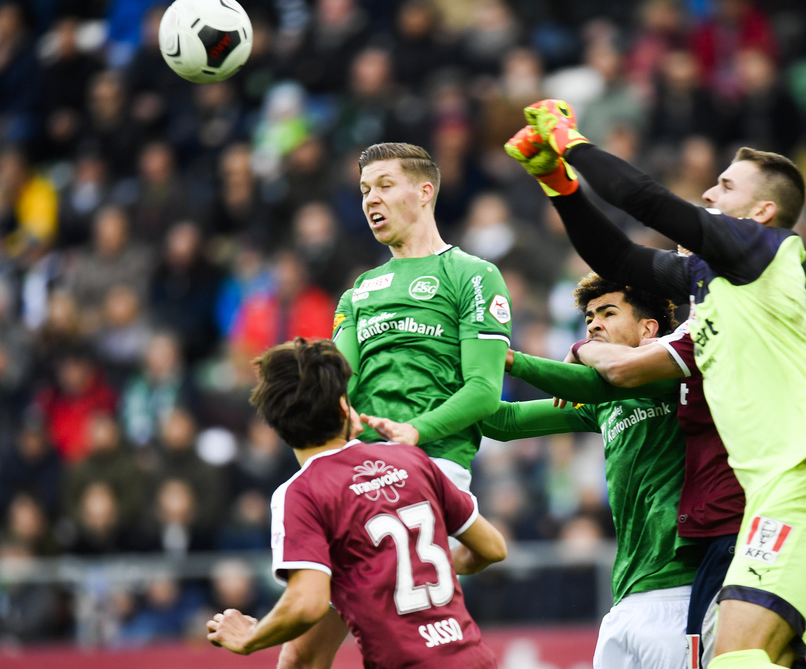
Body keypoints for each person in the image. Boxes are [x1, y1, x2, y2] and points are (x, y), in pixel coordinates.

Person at [506, 101, 806, 669]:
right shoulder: (711, 285)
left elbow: (649, 202)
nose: (709, 195)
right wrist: (559, 183)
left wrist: (572, 142)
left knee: (736, 657)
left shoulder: (763, 253)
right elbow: (618, 256)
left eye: (724, 186)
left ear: (762, 210)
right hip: (769, 504)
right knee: (748, 659)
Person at [483, 272, 741, 668]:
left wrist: (510, 357)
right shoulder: (602, 401)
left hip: (679, 591)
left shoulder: (676, 374)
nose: (593, 325)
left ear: (648, 328)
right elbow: (504, 422)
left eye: (607, 313)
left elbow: (610, 377)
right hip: (624, 598)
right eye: (588, 318)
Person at [206, 338, 506, 667]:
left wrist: (252, 636)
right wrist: (410, 566)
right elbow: (492, 548)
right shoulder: (410, 458)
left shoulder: (300, 492)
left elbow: (307, 603)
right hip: (476, 659)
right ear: (342, 408)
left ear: (278, 426)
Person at [333, 142, 512, 488]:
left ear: (424, 192)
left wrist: (416, 430)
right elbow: (339, 382)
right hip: (363, 469)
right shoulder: (357, 293)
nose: (371, 199)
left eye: (385, 186)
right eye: (365, 190)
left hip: (435, 464)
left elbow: (484, 390)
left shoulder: (473, 274)